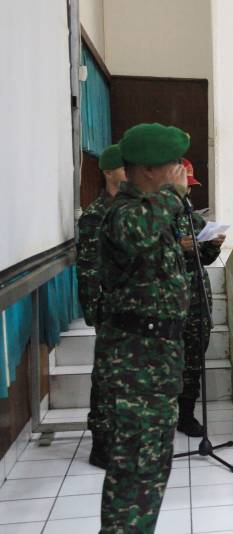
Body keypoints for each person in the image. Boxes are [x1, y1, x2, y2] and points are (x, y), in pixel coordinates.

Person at [95, 123, 191, 533]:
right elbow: (136, 235)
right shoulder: (124, 213)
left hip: (156, 364)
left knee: (149, 469)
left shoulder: (152, 212)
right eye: (174, 163)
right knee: (135, 470)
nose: (180, 171)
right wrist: (173, 195)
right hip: (135, 368)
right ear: (150, 169)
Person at [76, 144, 127, 468]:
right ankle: (102, 444)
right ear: (109, 172)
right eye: (125, 167)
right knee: (107, 379)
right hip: (109, 309)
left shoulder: (133, 208)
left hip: (132, 309)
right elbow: (88, 268)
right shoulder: (97, 214)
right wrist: (95, 311)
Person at [175, 158, 225, 436]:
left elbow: (204, 258)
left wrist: (213, 244)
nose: (189, 190)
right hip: (171, 301)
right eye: (185, 183)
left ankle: (186, 416)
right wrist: (177, 246)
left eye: (190, 185)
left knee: (194, 362)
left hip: (197, 300)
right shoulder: (157, 218)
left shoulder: (193, 218)